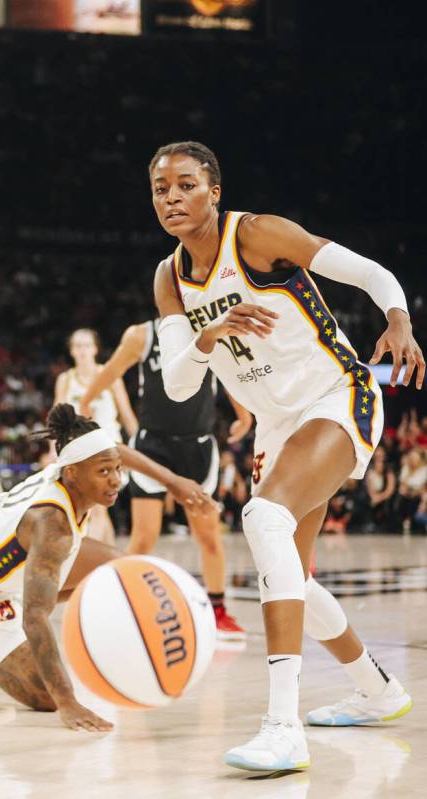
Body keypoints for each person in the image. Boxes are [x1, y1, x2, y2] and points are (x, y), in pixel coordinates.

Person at [149, 140, 423, 771]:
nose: (172, 199)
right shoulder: (170, 278)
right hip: (277, 423)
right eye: (161, 189)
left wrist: (399, 318)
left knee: (263, 519)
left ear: (213, 191)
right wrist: (207, 336)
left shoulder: (258, 236)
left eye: (186, 185)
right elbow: (179, 385)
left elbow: (368, 272)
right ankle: (379, 692)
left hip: (336, 395)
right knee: (292, 577)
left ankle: (282, 726)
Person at [0, 403, 214, 731]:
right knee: (46, 699)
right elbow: (35, 616)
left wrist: (173, 481)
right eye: (104, 472)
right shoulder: (54, 526)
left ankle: (21, 609)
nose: (116, 480)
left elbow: (115, 450)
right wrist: (67, 701)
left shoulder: (73, 462)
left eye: (116, 469)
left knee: (120, 572)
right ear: (73, 472)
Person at [79, 316, 250, 640]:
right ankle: (125, 605)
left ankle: (217, 610)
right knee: (144, 536)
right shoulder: (142, 334)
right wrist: (87, 400)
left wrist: (244, 416)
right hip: (152, 445)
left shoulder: (210, 329)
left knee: (208, 536)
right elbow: (112, 370)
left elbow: (229, 375)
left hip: (197, 446)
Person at [54, 328, 137, 544]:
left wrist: (138, 449)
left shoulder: (110, 376)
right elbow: (56, 419)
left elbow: (127, 416)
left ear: (95, 349)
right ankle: (109, 561)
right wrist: (51, 452)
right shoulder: (65, 379)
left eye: (86, 345)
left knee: (96, 507)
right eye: (77, 346)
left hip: (109, 450)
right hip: (78, 453)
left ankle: (90, 562)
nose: (82, 350)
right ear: (72, 351)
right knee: (98, 509)